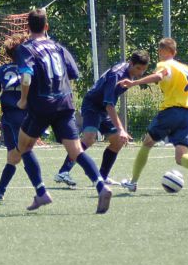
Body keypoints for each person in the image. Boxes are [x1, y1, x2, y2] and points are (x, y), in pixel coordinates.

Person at [6, 8, 114, 214]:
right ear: (47, 27)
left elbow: (26, 77)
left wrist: (23, 99)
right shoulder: (58, 47)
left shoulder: (25, 49)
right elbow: (72, 73)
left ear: (27, 27)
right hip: (64, 103)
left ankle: (41, 192)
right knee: (76, 151)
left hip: (41, 105)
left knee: (24, 146)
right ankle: (101, 185)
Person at [117, 37, 188, 192]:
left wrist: (133, 83)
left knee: (147, 143)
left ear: (161, 52)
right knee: (180, 157)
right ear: (175, 51)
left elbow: (159, 77)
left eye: (159, 52)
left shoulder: (165, 65)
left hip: (171, 111)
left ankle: (133, 182)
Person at [53, 50, 150, 188]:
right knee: (89, 138)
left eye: (144, 69)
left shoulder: (129, 72)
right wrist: (121, 129)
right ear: (131, 63)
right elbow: (109, 105)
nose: (140, 72)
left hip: (103, 108)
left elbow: (108, 105)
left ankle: (102, 176)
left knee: (117, 141)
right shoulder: (116, 75)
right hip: (93, 105)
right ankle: (63, 172)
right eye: (138, 68)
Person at [0, 34, 42, 203]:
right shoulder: (32, 69)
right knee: (24, 152)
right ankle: (41, 189)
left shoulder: (2, 70)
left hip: (7, 119)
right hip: (22, 115)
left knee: (13, 156)